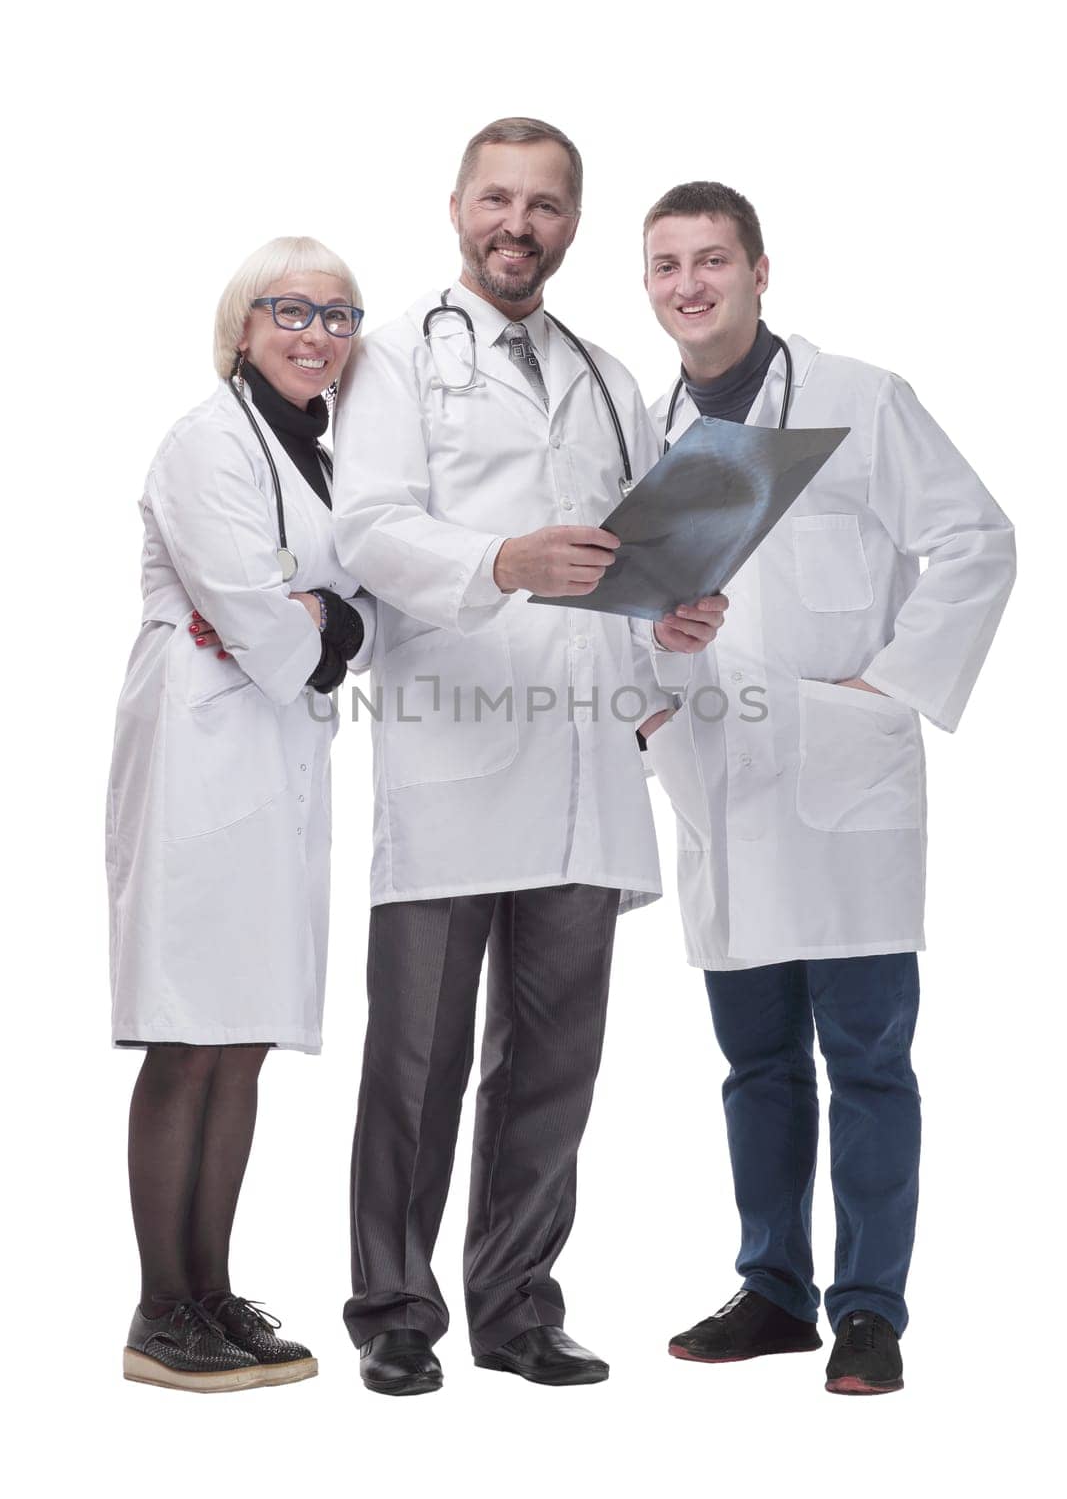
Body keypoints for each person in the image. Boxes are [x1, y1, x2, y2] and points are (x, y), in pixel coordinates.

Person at [332, 118, 725, 1396]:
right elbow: (371, 532)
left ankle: (515, 1304)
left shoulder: (612, 378)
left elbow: (636, 554)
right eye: (498, 199)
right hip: (453, 750)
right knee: (419, 1058)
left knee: (553, 1062)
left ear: (572, 224)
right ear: (456, 207)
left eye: (546, 205)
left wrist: (672, 607)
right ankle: (396, 1308)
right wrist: (499, 561)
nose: (520, 223)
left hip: (583, 765)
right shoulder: (393, 359)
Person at [640, 182, 1016, 1395]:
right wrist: (655, 680)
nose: (688, 284)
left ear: (758, 270)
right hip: (722, 785)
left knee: (864, 1059)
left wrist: (890, 683)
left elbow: (974, 538)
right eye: (665, 267)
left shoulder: (859, 399)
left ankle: (867, 1309)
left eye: (710, 260)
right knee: (752, 1064)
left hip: (841, 776)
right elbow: (636, 609)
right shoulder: (649, 437)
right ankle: (770, 1289)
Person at [107, 236, 374, 1392]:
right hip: (201, 756)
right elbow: (261, 625)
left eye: (338, 315)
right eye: (291, 309)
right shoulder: (205, 441)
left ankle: (211, 1293)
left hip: (273, 761)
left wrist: (326, 614)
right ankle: (159, 1309)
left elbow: (367, 603)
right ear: (242, 323)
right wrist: (313, 620)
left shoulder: (329, 458)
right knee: (189, 1030)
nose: (316, 332)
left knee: (244, 1036)